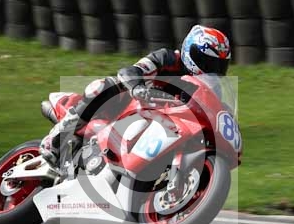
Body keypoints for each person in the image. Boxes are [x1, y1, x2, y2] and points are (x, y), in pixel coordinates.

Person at [39, 24, 232, 164]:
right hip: (129, 107)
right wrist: (137, 87)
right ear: (191, 52)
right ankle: (57, 138)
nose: (212, 71)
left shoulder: (210, 90)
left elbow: (214, 111)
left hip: (166, 125)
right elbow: (130, 71)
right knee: (105, 86)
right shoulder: (167, 58)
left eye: (218, 66)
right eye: (207, 63)